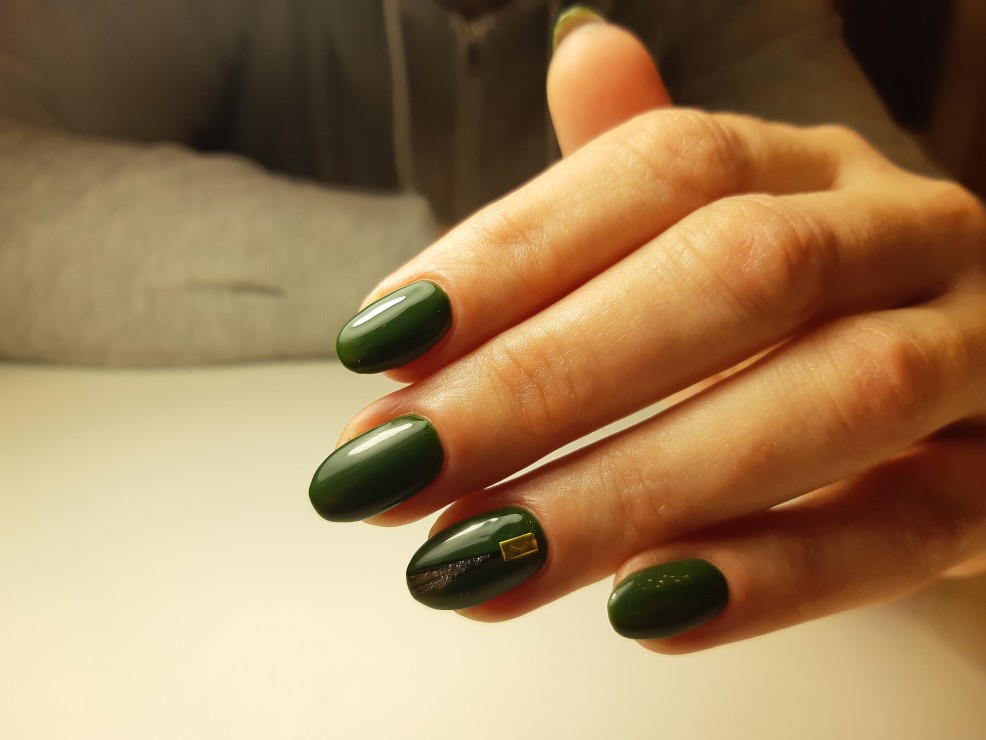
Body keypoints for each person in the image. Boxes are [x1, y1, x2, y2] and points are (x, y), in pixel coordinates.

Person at [2, 1, 984, 651]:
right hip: (209, 586)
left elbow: (900, 236)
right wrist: (483, 268)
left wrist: (942, 385)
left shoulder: (719, 13)